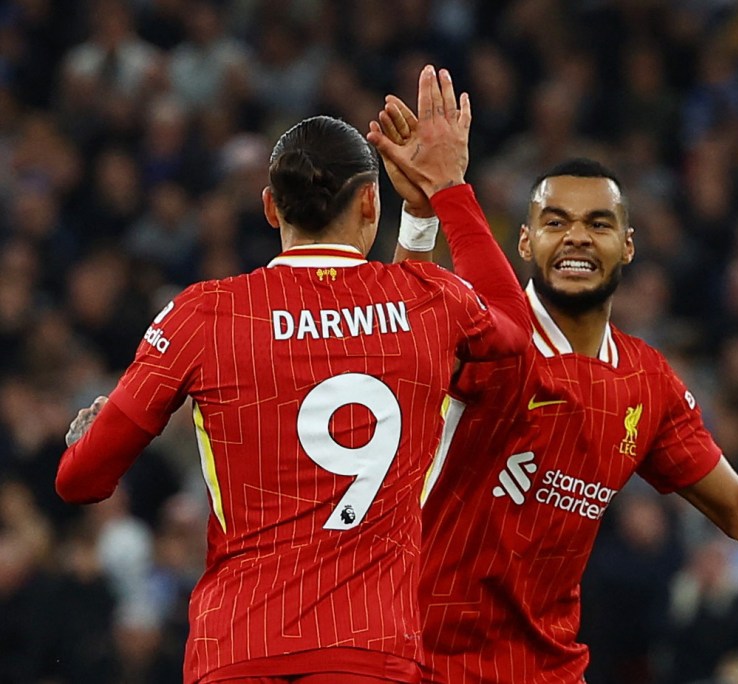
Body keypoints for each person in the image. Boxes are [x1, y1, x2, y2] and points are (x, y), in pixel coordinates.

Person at [369, 100, 738, 684]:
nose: (576, 238)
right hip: (426, 659)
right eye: (556, 222)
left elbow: (737, 508)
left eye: (598, 223)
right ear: (526, 242)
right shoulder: (485, 326)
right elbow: (412, 314)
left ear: (628, 245)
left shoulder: (647, 380)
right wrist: (423, 212)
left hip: (545, 667)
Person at [55, 65, 530, 684]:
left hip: (236, 650)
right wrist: (447, 192)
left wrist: (88, 441)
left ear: (269, 207)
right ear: (369, 202)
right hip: (370, 649)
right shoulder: (427, 301)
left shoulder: (205, 313)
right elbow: (516, 338)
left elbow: (80, 482)